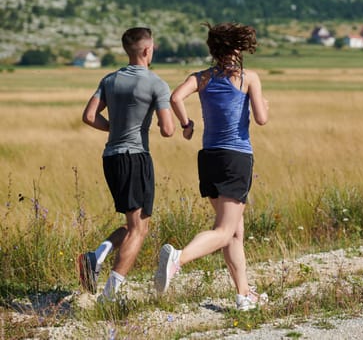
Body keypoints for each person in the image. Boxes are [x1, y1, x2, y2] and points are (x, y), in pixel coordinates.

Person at [154, 22, 269, 311]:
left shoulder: (202, 78)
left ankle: (244, 294)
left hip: (209, 158)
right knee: (224, 229)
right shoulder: (248, 78)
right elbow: (262, 119)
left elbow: (175, 97)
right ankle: (178, 259)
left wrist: (187, 124)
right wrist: (264, 103)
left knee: (235, 231)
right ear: (236, 48)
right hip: (236, 158)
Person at [78, 27, 175, 301]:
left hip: (111, 157)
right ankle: (110, 294)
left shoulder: (109, 80)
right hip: (136, 157)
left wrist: (113, 130)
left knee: (135, 223)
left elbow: (88, 116)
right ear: (147, 50)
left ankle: (95, 257)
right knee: (138, 229)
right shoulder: (156, 83)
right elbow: (168, 130)